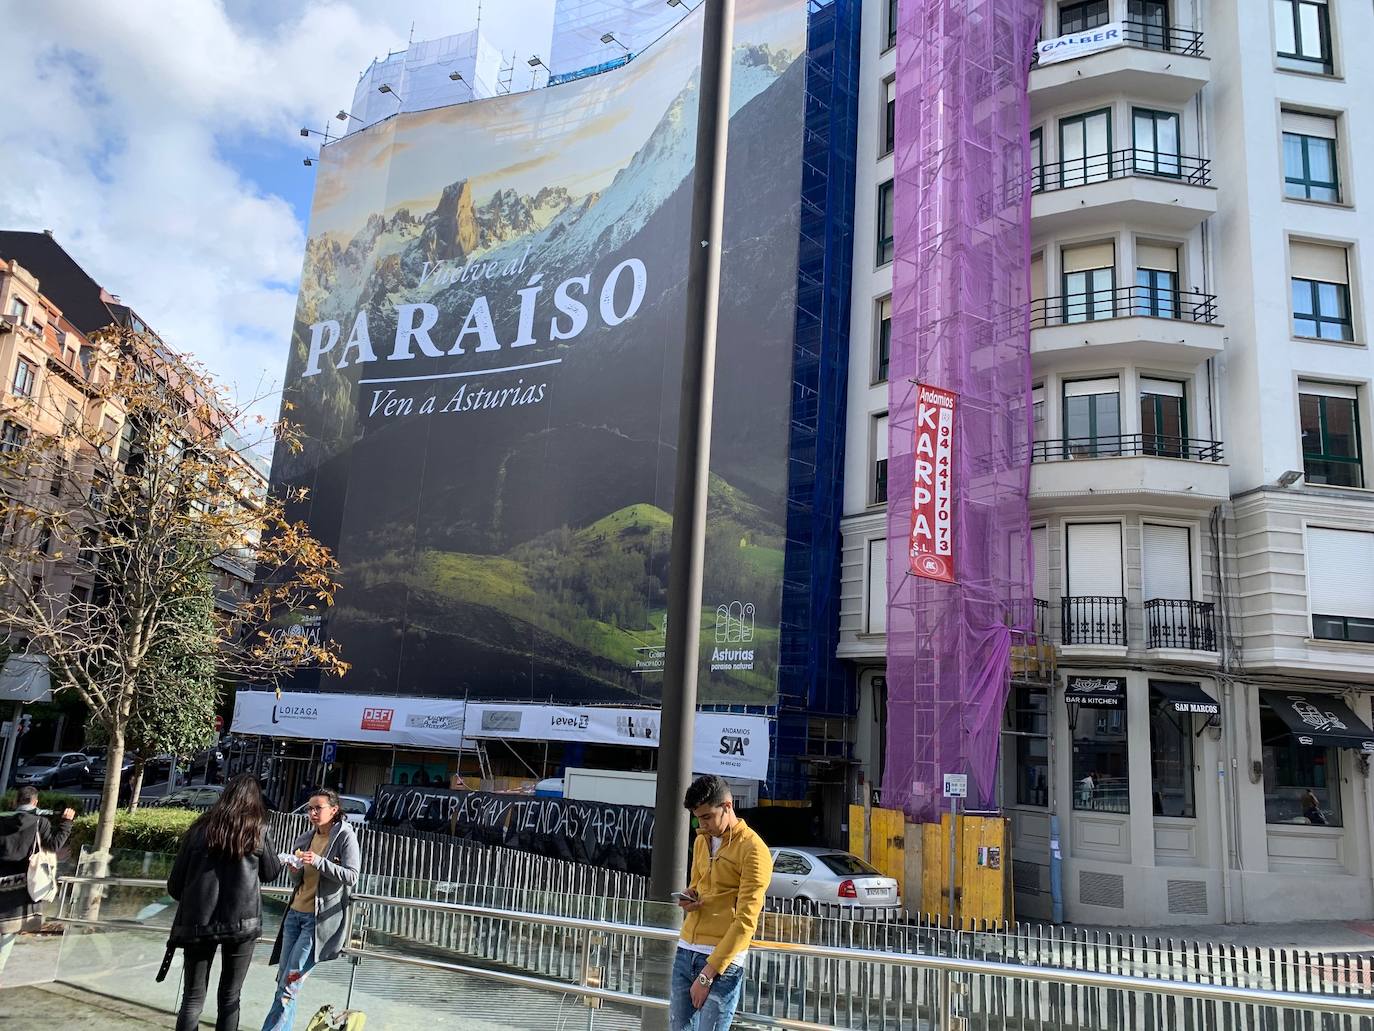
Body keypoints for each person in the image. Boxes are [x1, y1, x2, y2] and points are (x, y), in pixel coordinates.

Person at [161, 773, 282, 1031]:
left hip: (197, 924)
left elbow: (175, 885)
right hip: (242, 925)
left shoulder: (199, 828)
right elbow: (271, 872)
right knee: (230, 997)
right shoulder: (258, 829)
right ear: (255, 800)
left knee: (192, 998)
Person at [671, 775, 772, 1031]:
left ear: (728, 806)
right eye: (698, 817)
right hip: (686, 949)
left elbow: (747, 921)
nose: (702, 823)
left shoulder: (753, 849)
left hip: (723, 961)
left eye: (707, 816)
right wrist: (690, 897)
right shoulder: (701, 840)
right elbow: (698, 885)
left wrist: (708, 974)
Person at [263, 787, 361, 1031]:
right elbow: (299, 882)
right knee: (284, 983)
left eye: (319, 808)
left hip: (316, 922)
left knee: (289, 983)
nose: (313, 812)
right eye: (310, 808)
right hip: (294, 915)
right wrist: (294, 869)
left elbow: (352, 876)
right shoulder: (305, 838)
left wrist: (320, 862)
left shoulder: (345, 836)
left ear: (334, 810)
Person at [0, 787, 75, 975]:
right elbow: (54, 845)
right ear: (35, 802)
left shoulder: (2, 819)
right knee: (8, 931)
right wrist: (66, 823)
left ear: (15, 802)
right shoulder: (40, 822)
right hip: (20, 885)